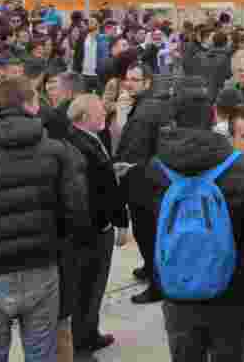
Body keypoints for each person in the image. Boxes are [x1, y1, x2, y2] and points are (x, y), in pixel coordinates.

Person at [0, 76, 88, 362]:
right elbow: (77, 212)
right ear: (30, 105)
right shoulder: (57, 152)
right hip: (41, 266)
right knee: (41, 354)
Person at [147, 84, 244, 362]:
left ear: (173, 119)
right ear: (214, 116)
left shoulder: (155, 170)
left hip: (177, 287)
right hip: (232, 290)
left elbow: (148, 231)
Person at [65, 95, 128, 354]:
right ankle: (83, 340)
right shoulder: (81, 145)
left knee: (91, 287)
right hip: (93, 228)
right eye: (99, 111)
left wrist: (112, 171)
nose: (104, 113)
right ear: (83, 117)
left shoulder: (84, 139)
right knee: (90, 286)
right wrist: (121, 222)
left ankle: (89, 332)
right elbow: (100, 190)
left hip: (89, 226)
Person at [113, 63, 166, 305]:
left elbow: (132, 146)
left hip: (144, 182)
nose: (130, 83)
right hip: (143, 178)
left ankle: (157, 285)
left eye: (136, 79)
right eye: (128, 79)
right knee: (145, 231)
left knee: (148, 233)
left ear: (147, 83)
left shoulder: (145, 110)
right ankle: (149, 267)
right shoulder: (141, 105)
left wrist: (123, 119)